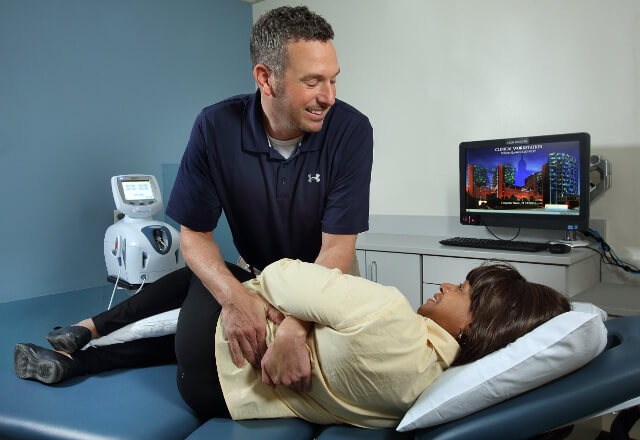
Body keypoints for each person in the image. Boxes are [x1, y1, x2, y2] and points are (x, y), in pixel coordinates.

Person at [22, 4, 373, 391]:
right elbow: (194, 236)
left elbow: (337, 249)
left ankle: (87, 338)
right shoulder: (216, 127)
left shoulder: (350, 130)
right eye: (313, 82)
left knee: (208, 361)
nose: (329, 97)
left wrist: (295, 327)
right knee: (195, 341)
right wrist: (236, 299)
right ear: (265, 79)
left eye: (333, 80)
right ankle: (80, 348)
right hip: (255, 275)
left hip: (325, 282)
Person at [15, 261, 570, 428]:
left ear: (480, 326)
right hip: (214, 396)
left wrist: (279, 313)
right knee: (205, 325)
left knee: (212, 274)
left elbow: (279, 273)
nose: (448, 284)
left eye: (465, 291)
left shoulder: (389, 312)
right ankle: (74, 361)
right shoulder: (427, 384)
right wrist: (292, 327)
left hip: (210, 354)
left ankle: (88, 327)